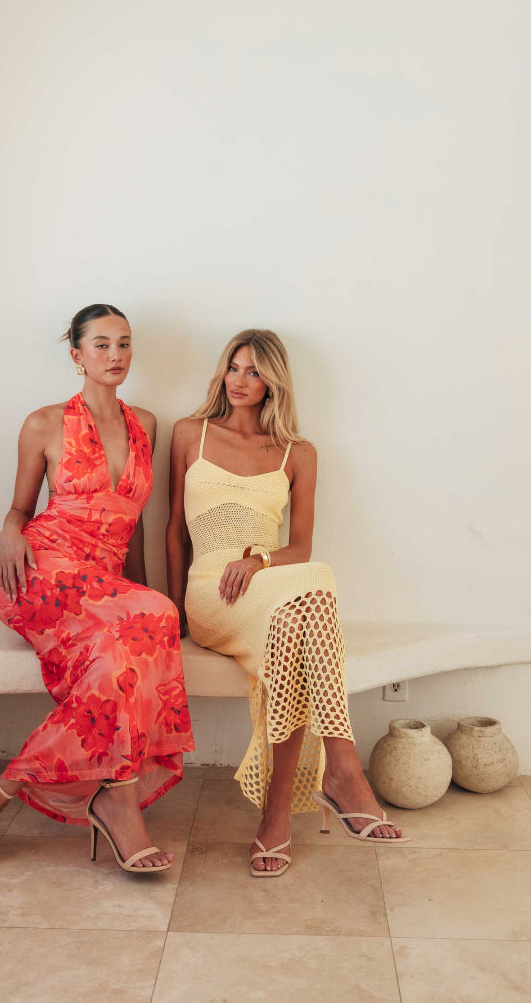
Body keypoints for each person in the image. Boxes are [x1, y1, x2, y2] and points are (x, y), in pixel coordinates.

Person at [0, 303, 193, 876]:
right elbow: (19, 508)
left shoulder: (146, 424)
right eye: (101, 344)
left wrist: (138, 597)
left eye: (124, 343)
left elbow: (133, 525)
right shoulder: (44, 422)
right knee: (152, 614)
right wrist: (9, 531)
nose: (115, 355)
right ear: (76, 354)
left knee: (128, 645)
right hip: (40, 571)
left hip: (103, 585)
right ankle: (115, 803)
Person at [167, 328, 406, 878]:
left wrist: (259, 561)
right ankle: (343, 772)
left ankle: (279, 814)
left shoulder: (299, 453)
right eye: (234, 367)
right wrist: (175, 611)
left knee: (300, 614)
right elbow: (173, 532)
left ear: (273, 382)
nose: (240, 380)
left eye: (254, 371)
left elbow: (301, 548)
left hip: (267, 584)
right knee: (313, 590)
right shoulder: (188, 434)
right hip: (210, 593)